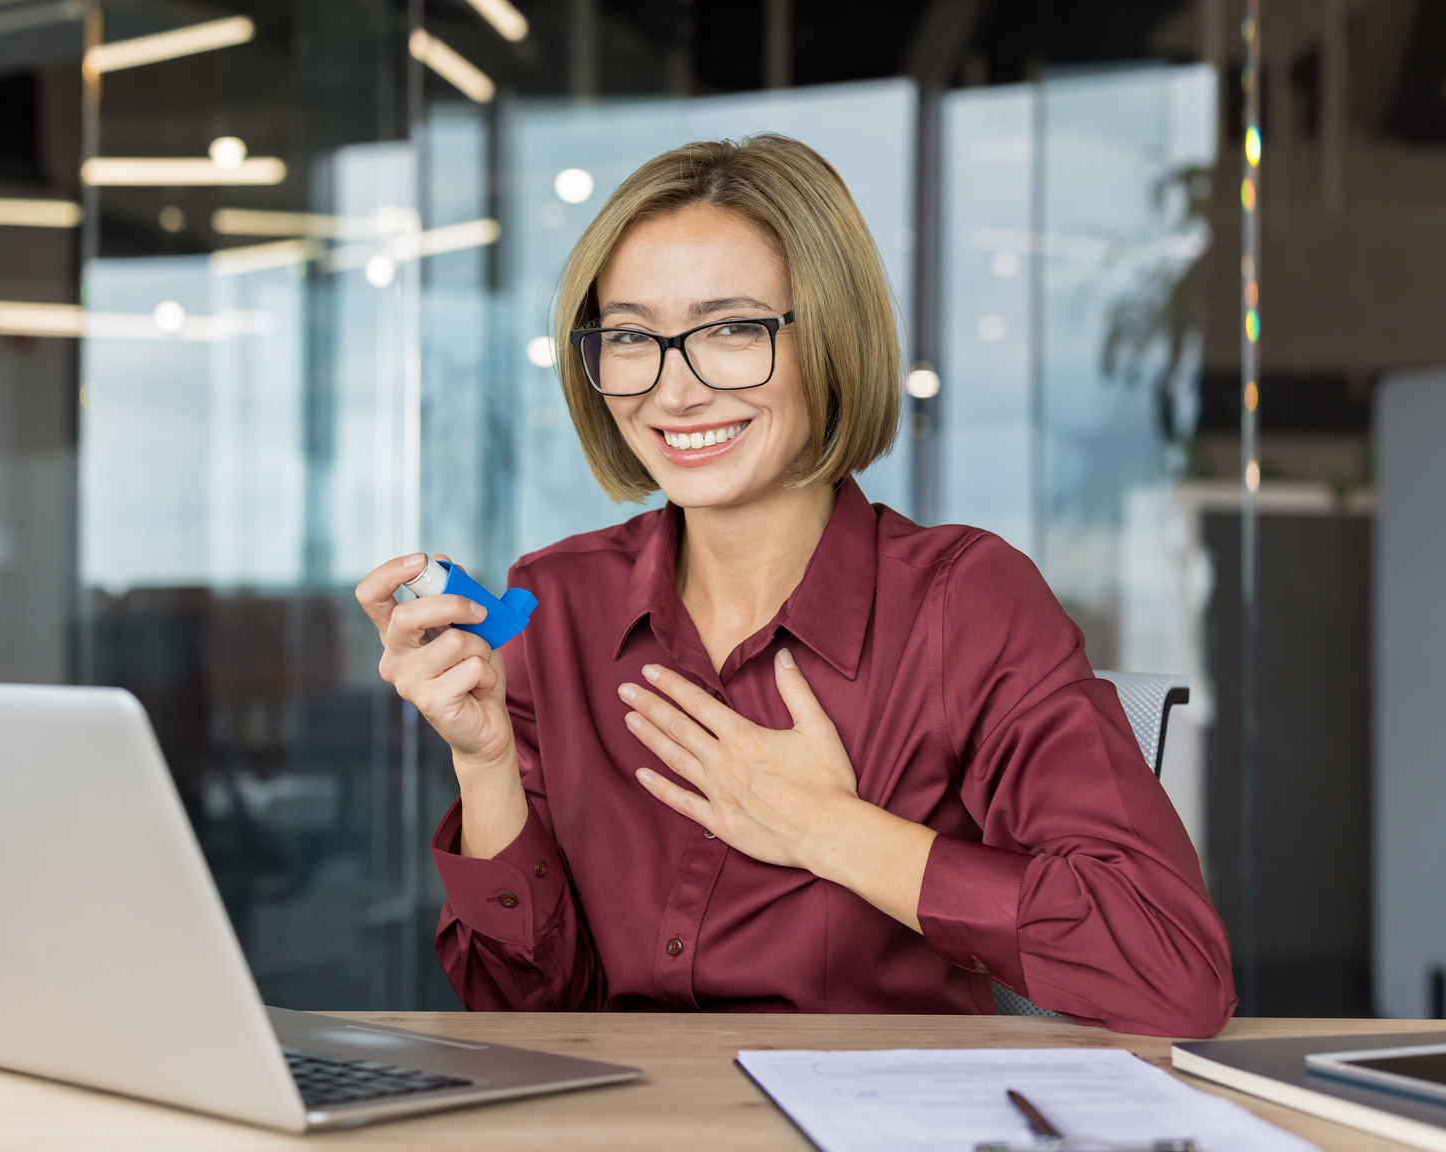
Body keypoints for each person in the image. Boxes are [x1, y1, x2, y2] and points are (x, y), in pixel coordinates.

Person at [354, 135, 1234, 1038]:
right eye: (629, 337)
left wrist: (829, 829)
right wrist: (486, 764)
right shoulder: (558, 602)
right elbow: (527, 1017)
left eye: (732, 329)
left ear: (830, 337)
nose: (676, 389)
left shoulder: (964, 603)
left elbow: (1172, 970)